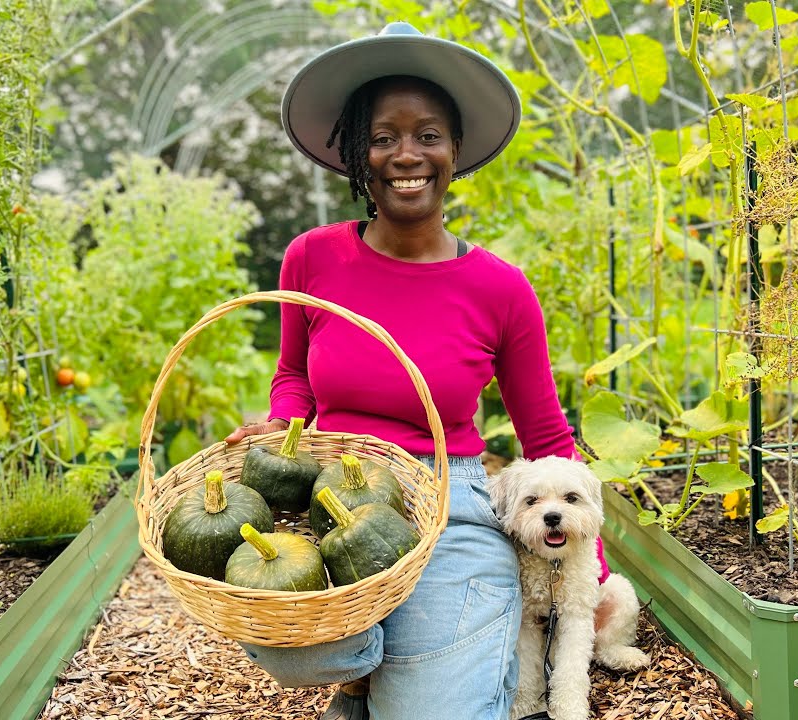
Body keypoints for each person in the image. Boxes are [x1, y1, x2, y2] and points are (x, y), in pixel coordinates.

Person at [223, 21, 578, 720]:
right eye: (383, 137)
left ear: (455, 151)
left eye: (428, 135)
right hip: (333, 496)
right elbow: (294, 376)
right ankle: (368, 664)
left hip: (451, 504)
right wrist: (283, 433)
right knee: (287, 636)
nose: (406, 155)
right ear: (358, 153)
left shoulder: (501, 288)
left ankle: (419, 658)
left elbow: (545, 434)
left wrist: (586, 569)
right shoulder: (312, 258)